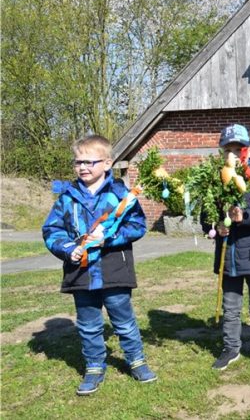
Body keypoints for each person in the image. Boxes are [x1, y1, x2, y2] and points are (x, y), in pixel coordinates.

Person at [42, 135, 156, 396]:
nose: (82, 167)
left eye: (89, 162)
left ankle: (136, 361)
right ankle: (94, 366)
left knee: (123, 321)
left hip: (114, 269)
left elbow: (137, 226)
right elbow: (52, 229)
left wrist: (110, 238)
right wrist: (68, 249)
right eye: (78, 162)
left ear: (107, 163)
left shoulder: (120, 195)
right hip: (80, 273)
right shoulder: (66, 197)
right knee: (89, 323)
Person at [207, 124, 250, 371]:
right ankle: (230, 348)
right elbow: (206, 215)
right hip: (229, 259)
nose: (234, 155)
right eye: (229, 149)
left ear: (249, 149)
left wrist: (244, 216)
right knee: (231, 307)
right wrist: (216, 225)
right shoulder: (216, 182)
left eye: (239, 149)